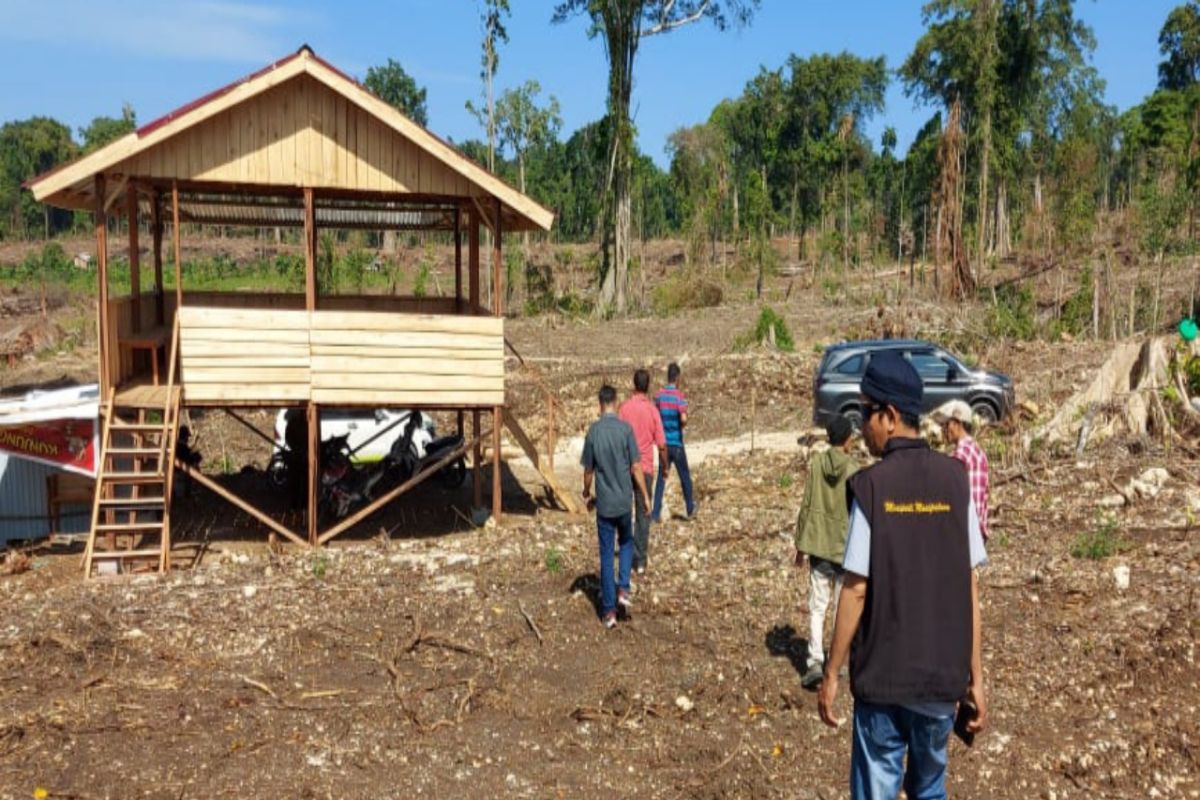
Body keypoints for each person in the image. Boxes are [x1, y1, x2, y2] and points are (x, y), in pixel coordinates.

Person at [817, 352, 988, 800]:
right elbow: (968, 587)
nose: (862, 428)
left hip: (884, 683)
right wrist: (975, 677)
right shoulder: (955, 480)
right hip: (939, 684)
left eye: (865, 412)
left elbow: (855, 589)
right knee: (930, 789)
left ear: (890, 416)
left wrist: (832, 671)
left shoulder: (873, 487)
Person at [793, 414, 858, 690]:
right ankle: (836, 660)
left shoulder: (817, 463)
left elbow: (806, 503)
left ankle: (814, 661)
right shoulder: (854, 469)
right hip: (843, 546)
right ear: (845, 439)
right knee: (841, 608)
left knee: (818, 606)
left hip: (818, 545)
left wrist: (800, 545)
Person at [581, 385, 652, 629]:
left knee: (605, 554)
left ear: (600, 404)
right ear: (616, 402)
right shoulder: (625, 430)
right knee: (627, 542)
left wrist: (585, 493)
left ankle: (609, 611)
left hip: (605, 505)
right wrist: (644, 495)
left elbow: (588, 471)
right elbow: (636, 467)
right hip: (624, 502)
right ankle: (623, 587)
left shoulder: (593, 432)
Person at [619, 368, 667, 575]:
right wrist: (665, 467)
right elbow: (662, 444)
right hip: (645, 468)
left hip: (625, 467)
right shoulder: (652, 411)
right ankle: (640, 559)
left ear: (633, 384)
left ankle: (627, 554)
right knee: (643, 514)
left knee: (625, 512)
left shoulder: (624, 409)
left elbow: (618, 436)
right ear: (647, 386)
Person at [932, 400, 990, 541]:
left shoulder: (960, 455)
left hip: (964, 531)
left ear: (957, 424)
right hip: (977, 531)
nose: (944, 430)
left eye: (946, 425)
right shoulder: (979, 452)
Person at [652, 362, 696, 522]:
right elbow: (683, 418)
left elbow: (656, 418)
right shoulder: (679, 396)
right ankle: (690, 508)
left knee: (661, 478)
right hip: (676, 443)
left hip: (663, 444)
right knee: (685, 476)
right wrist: (681, 425)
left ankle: (655, 512)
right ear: (677, 378)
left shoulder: (659, 396)